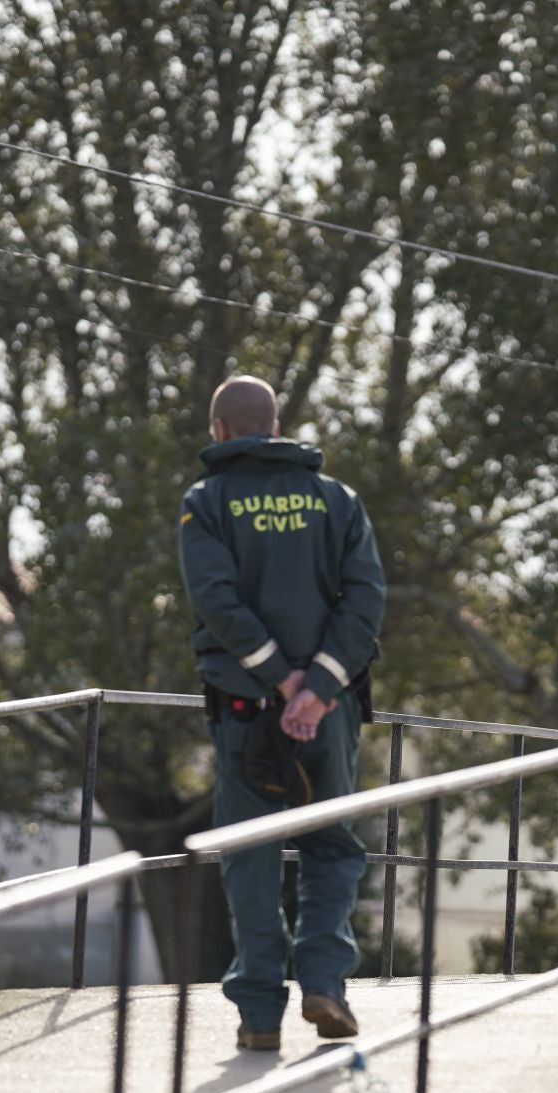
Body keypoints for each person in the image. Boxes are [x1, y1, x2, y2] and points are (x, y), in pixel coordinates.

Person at [178, 375, 387, 1052]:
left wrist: (278, 677)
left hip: (244, 710)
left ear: (219, 430)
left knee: (250, 856)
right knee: (332, 847)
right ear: (273, 425)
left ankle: (260, 1014)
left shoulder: (206, 502)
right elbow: (366, 598)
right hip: (330, 713)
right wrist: (318, 687)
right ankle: (324, 979)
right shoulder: (337, 500)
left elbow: (215, 599)